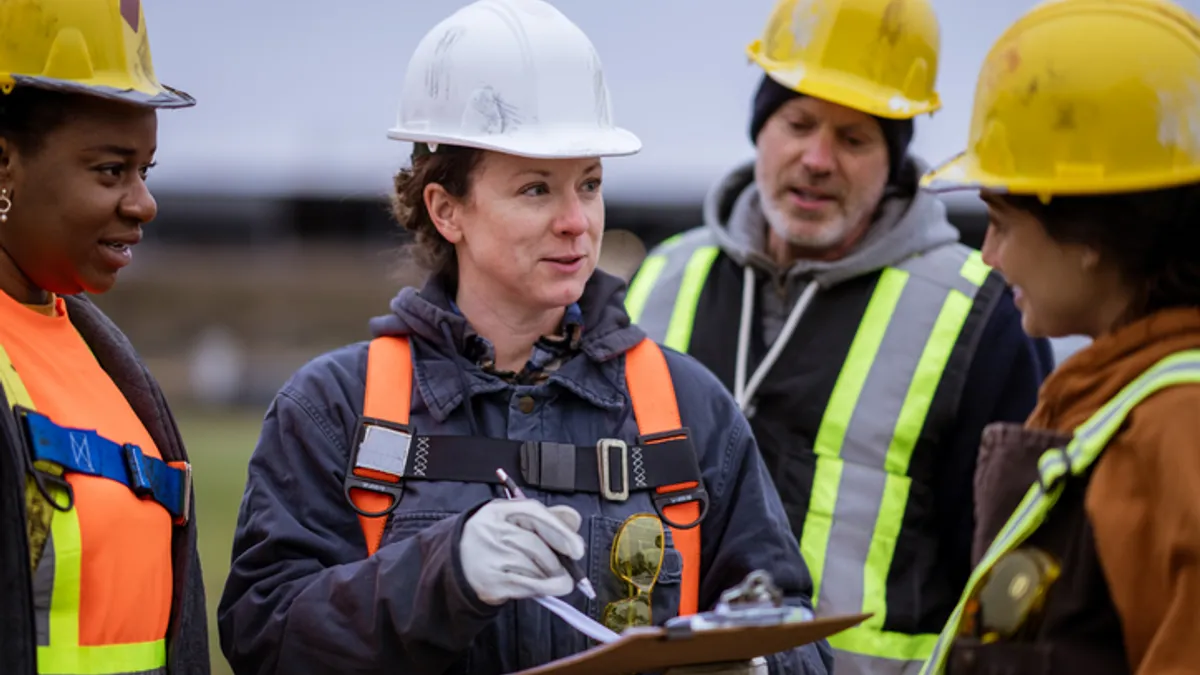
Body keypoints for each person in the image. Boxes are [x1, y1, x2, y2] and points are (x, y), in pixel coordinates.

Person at [216, 1, 832, 674]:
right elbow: (262, 635)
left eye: (589, 184)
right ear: (446, 208)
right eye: (536, 189)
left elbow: (792, 626)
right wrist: (441, 573)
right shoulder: (336, 409)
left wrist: (760, 665)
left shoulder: (686, 407)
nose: (576, 221)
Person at [624, 1, 1055, 673]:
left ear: (893, 158)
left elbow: (1012, 581)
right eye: (797, 123)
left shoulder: (982, 314)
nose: (817, 159)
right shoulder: (660, 278)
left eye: (854, 138)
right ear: (760, 129)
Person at [915, 0, 1200, 673]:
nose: (988, 254)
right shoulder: (1116, 399)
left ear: (1091, 234)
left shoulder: (1176, 426)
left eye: (1004, 223)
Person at [0, 1, 208, 674]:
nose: (143, 203)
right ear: (4, 165)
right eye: (110, 170)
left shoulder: (112, 365)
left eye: (146, 170)